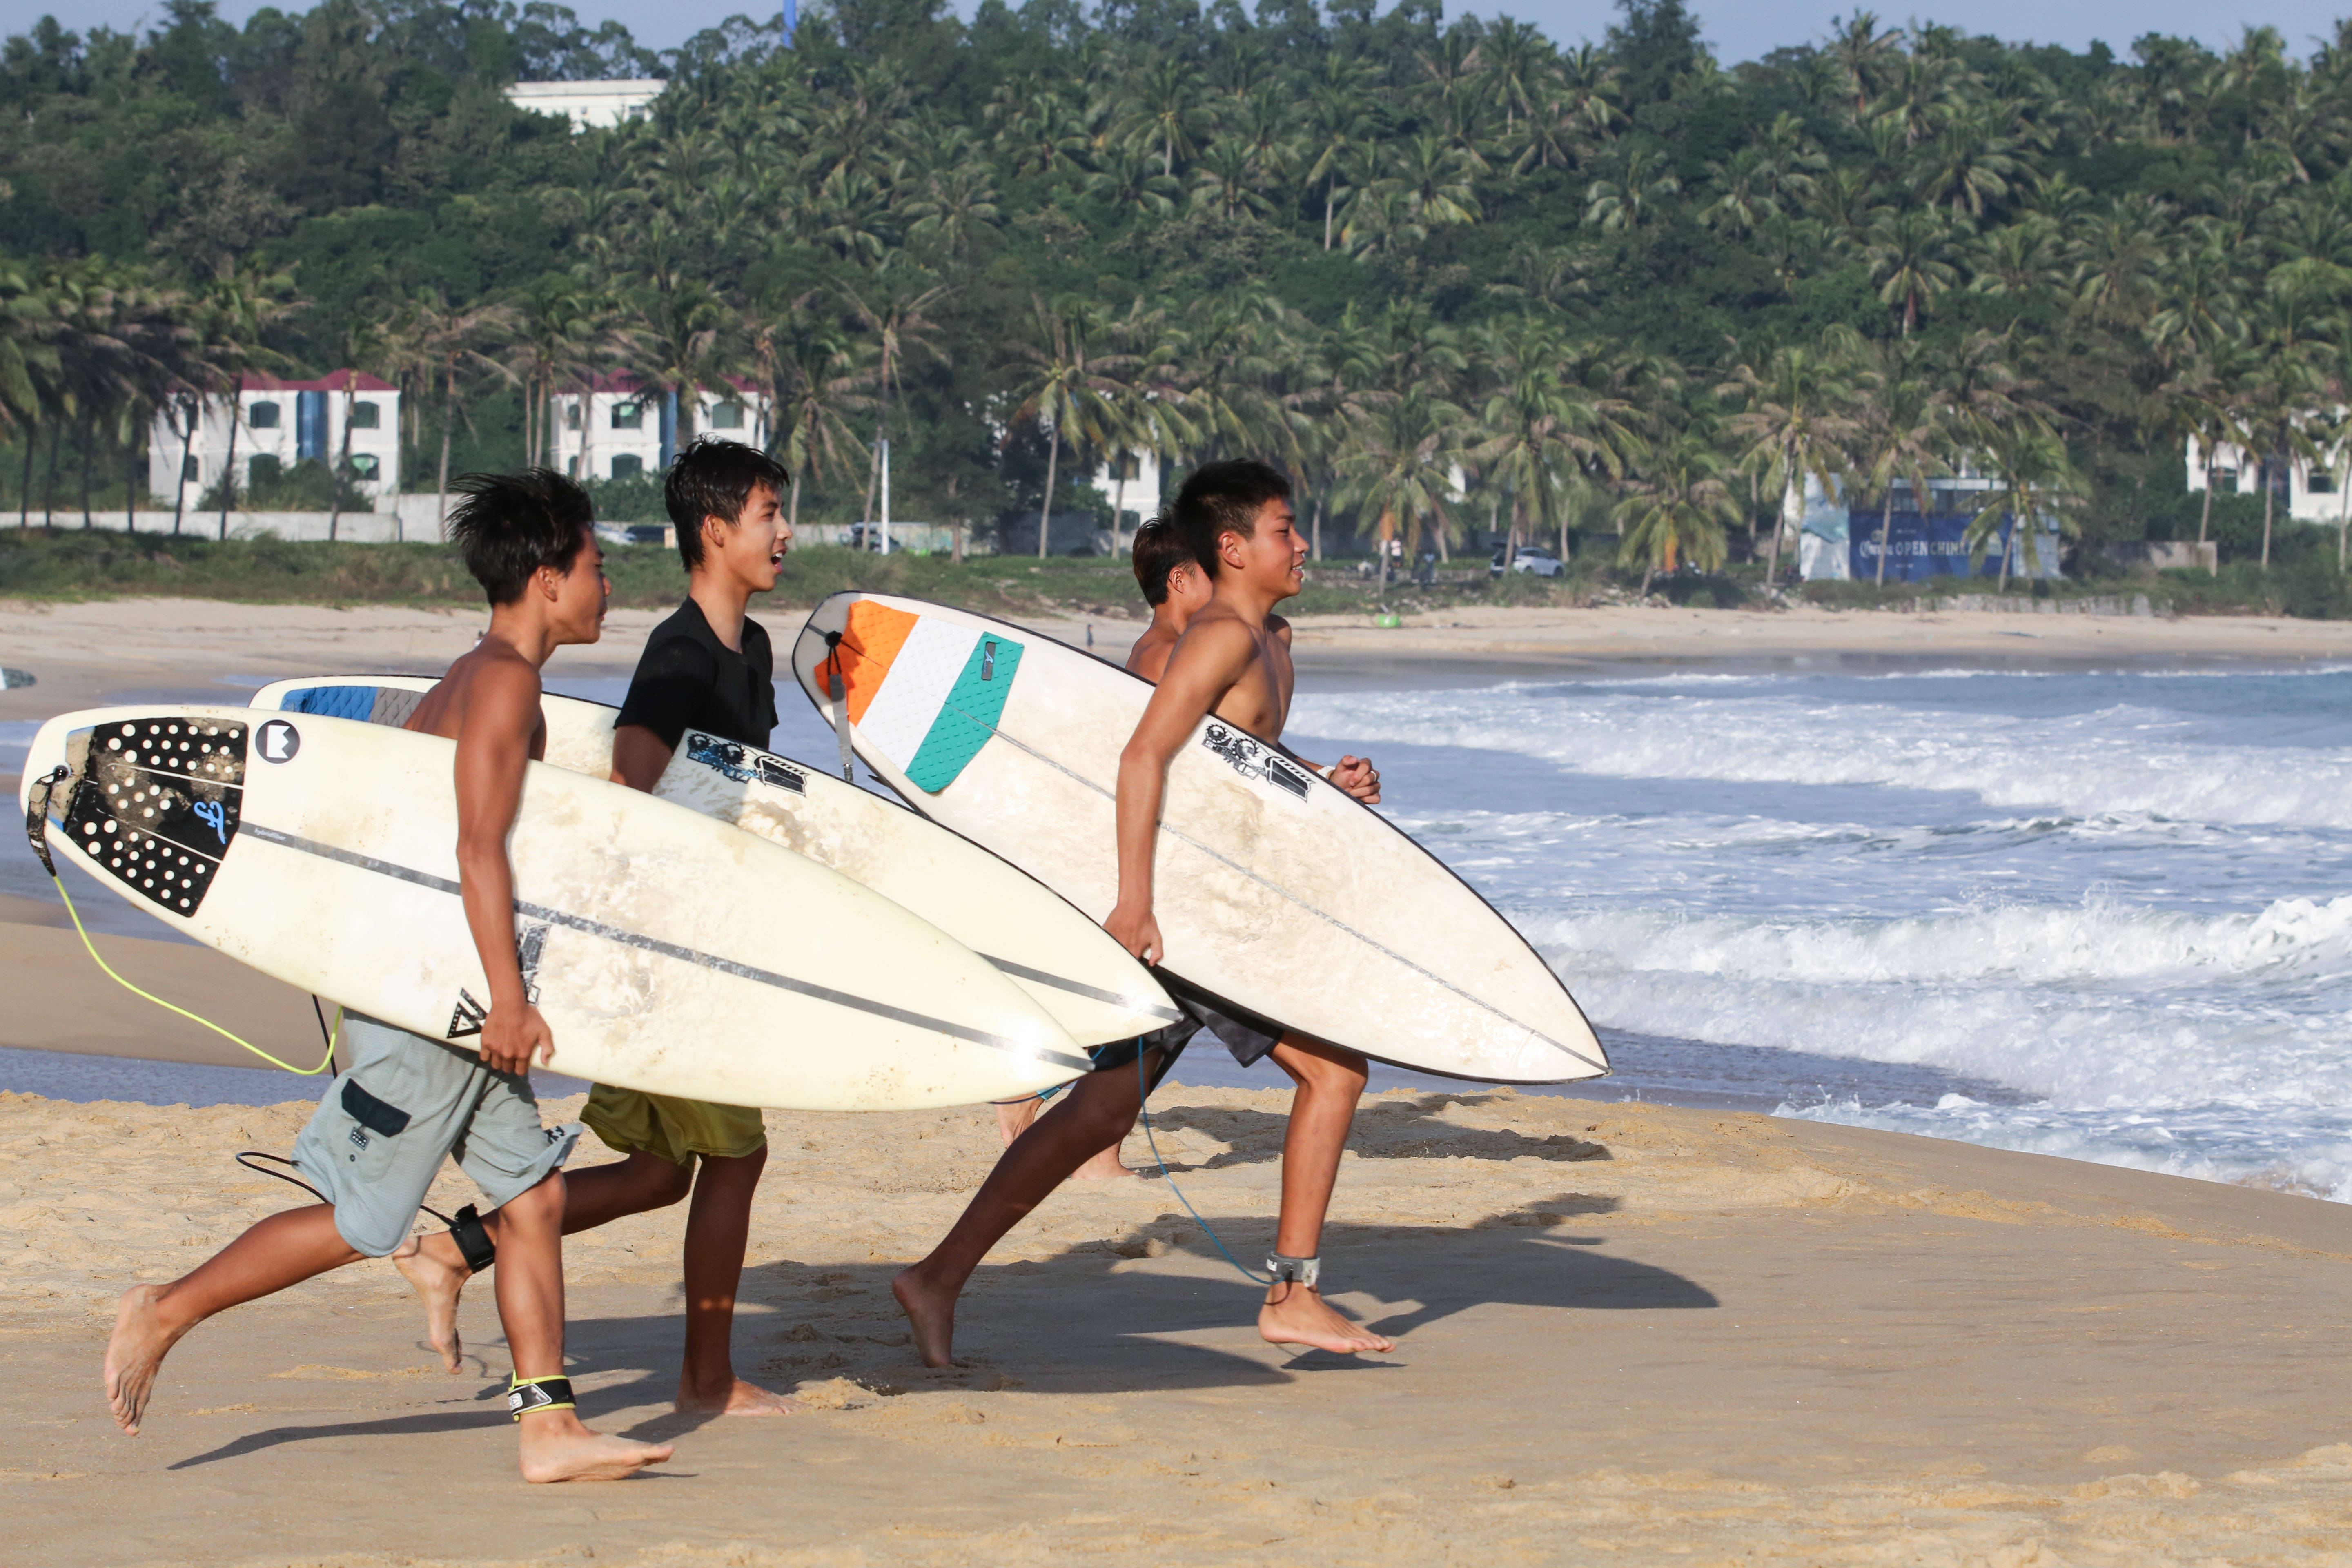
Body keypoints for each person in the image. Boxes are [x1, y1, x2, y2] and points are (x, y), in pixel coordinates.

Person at [102, 469, 671, 1484]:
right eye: (595, 565)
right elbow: (477, 849)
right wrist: (508, 996)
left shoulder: (475, 672)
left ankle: (548, 1430)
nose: (608, 586)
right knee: (362, 1217)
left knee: (532, 1201)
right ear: (546, 578)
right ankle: (167, 1308)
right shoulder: (503, 683)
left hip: (439, 987)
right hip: (436, 1002)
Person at [895, 461, 1394, 1367]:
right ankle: (1294, 1294)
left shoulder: (1270, 636)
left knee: (1093, 1118)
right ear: (1234, 547)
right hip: (1187, 921)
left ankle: (937, 1276)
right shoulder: (1217, 640)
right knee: (1335, 1075)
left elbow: (1231, 777)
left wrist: (1328, 785)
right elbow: (1140, 759)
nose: (1304, 543)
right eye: (1286, 529)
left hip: (1200, 907)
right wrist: (1134, 903)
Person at [395, 438, 800, 1418]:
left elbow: (749, 798)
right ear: (714, 530)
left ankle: (455, 1251)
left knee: (662, 1172)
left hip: (711, 933)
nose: (785, 533)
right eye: (767, 515)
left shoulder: (747, 649)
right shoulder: (681, 653)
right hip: (672, 945)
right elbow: (632, 783)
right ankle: (705, 1378)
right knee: (736, 1160)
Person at [990, 519, 1213, 1177]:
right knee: (1160, 1002)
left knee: (1161, 1003)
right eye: (1211, 572)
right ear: (1179, 581)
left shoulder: (1174, 648)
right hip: (1155, 852)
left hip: (1164, 847)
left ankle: (1069, 1121)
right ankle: (1042, 1100)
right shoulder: (1165, 654)